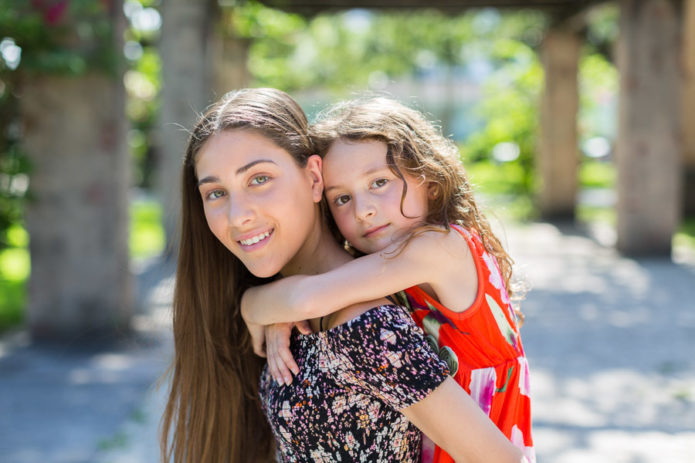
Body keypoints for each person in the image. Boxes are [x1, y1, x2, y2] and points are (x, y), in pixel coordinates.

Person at [161, 88, 525, 463]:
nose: (238, 216)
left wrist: (254, 308)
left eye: (259, 179)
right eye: (216, 193)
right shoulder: (362, 287)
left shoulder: (405, 282)